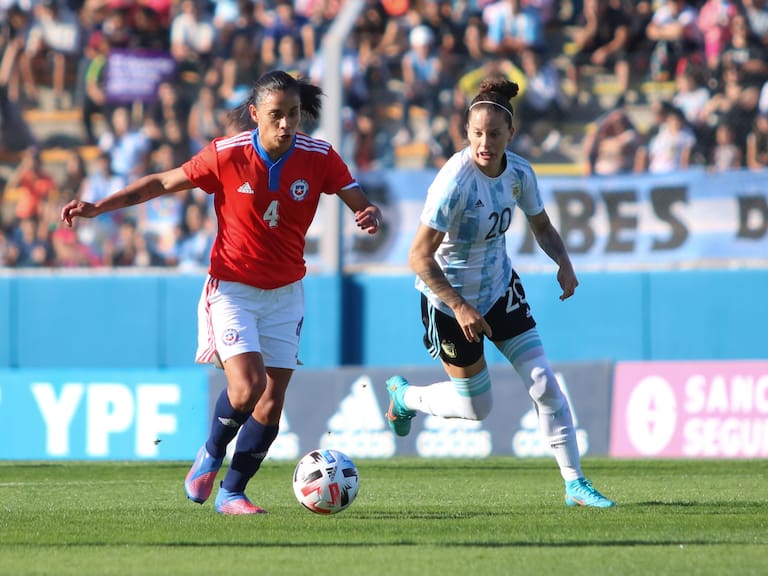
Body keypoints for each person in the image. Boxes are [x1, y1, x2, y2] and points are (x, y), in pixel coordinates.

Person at [61, 70, 383, 514]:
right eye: (276, 116)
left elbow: (355, 195)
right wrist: (99, 207)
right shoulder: (226, 155)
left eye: (293, 115)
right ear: (255, 115)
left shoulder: (319, 156)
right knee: (247, 385)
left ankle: (232, 492)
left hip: (287, 292)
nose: (286, 125)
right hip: (232, 288)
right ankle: (211, 452)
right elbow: (161, 182)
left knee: (271, 404)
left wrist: (366, 211)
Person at [385, 77, 615, 508]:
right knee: (477, 409)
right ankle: (405, 398)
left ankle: (574, 484)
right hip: (448, 302)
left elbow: (541, 226)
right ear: (466, 134)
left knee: (544, 380)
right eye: (476, 134)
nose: (484, 143)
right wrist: (459, 306)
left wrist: (563, 261)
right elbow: (418, 257)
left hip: (498, 289)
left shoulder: (520, 174)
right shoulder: (453, 182)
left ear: (510, 134)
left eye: (494, 134)